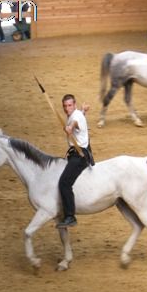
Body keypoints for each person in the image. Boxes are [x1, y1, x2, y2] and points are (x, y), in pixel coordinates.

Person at [56, 94, 94, 229]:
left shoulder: (75, 117)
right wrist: (83, 111)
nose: (67, 109)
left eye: (70, 105)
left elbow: (75, 123)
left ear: (74, 105)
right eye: (65, 106)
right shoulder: (77, 113)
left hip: (80, 156)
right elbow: (78, 117)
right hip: (76, 154)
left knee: (64, 183)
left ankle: (70, 216)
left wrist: (70, 128)